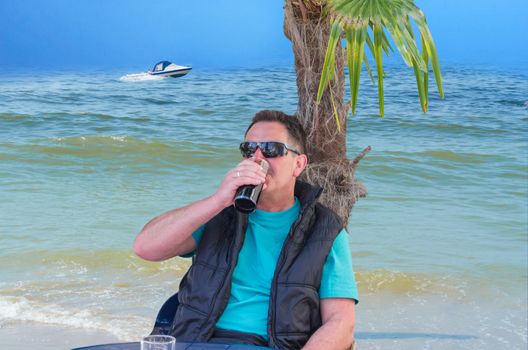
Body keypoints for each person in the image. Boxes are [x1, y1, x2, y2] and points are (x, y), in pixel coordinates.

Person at [134, 110, 359, 350]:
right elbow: (145, 248)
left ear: (299, 164)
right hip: (199, 342)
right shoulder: (218, 213)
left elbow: (341, 323)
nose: (258, 158)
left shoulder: (325, 230)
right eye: (249, 150)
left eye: (271, 149)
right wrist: (218, 200)